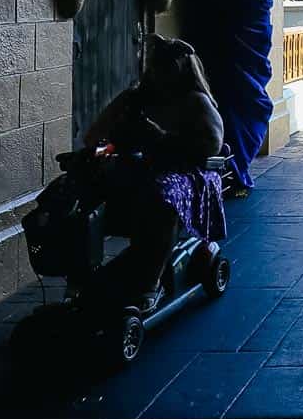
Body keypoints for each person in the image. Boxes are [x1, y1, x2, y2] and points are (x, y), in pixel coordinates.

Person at [77, 35, 228, 310]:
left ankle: (150, 281)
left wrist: (163, 138)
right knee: (81, 190)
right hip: (139, 165)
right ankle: (83, 276)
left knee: (161, 195)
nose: (158, 75)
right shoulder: (135, 100)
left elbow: (210, 145)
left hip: (186, 170)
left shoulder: (195, 102)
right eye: (155, 68)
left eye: (165, 69)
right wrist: (103, 147)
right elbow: (97, 137)